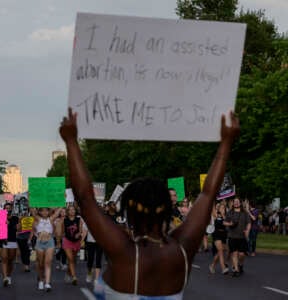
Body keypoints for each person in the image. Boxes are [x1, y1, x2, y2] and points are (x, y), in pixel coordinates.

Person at [59, 108, 239, 298]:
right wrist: (226, 143)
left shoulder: (124, 252)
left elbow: (85, 199)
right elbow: (208, 194)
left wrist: (71, 141)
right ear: (166, 209)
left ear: (130, 212)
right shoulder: (183, 249)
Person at [32, 207, 61, 292]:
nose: (44, 212)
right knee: (40, 264)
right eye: (42, 210)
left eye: (46, 210)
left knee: (48, 263)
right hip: (40, 243)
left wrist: (63, 198)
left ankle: (47, 283)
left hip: (49, 242)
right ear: (40, 212)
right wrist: (30, 196)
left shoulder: (51, 219)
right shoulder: (37, 219)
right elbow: (31, 209)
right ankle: (41, 280)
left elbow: (59, 209)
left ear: (49, 211)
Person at [224, 197, 251, 277]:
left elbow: (249, 223)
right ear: (233, 203)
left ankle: (240, 265)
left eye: (237, 201)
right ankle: (236, 269)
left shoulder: (245, 212)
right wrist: (229, 224)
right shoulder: (230, 212)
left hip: (242, 237)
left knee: (242, 254)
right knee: (234, 253)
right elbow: (225, 222)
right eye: (234, 202)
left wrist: (248, 230)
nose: (236, 203)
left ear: (240, 203)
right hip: (232, 236)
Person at [62, 205, 86, 285]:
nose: (72, 211)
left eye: (73, 210)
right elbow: (63, 232)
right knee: (70, 258)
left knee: (73, 260)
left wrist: (79, 234)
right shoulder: (64, 220)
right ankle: (74, 277)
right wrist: (59, 241)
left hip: (76, 242)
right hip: (67, 241)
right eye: (70, 210)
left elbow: (81, 230)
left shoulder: (79, 219)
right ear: (67, 212)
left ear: (75, 211)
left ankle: (68, 273)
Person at [2, 203, 19, 287]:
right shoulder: (0, 217)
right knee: (4, 259)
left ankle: (9, 275)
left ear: (11, 209)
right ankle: (5, 277)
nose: (8, 209)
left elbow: (18, 229)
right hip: (4, 241)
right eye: (6, 208)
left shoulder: (15, 218)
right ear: (4, 209)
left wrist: (17, 225)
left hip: (12, 241)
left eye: (9, 208)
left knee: (10, 260)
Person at [209, 203, 229, 275]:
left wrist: (223, 215)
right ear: (218, 208)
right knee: (220, 251)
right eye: (221, 207)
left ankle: (212, 265)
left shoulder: (226, 216)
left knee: (222, 251)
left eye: (223, 208)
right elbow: (212, 206)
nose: (222, 209)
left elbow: (227, 223)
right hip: (216, 234)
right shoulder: (215, 215)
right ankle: (223, 268)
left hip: (224, 235)